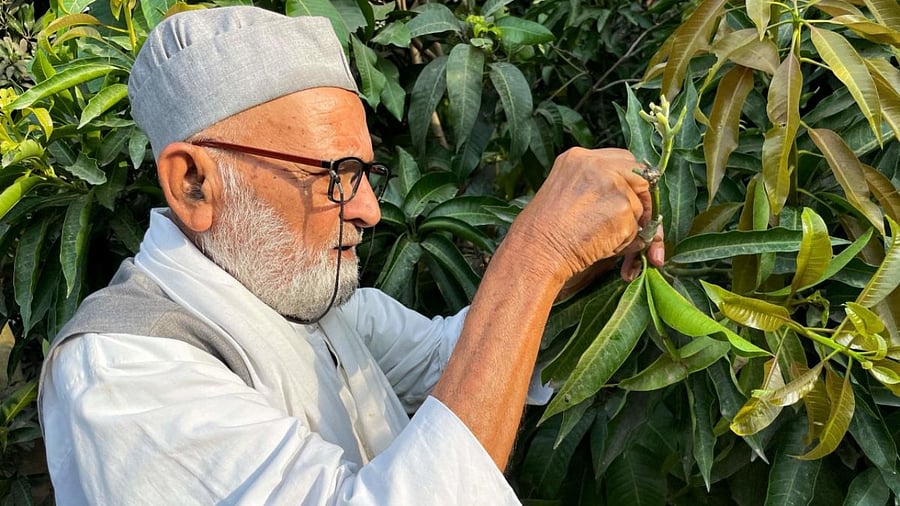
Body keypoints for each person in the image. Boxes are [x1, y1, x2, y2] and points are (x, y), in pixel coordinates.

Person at [38, 6, 664, 505]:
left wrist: (586, 270)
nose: (368, 208)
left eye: (367, 173)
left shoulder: (318, 305)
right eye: (335, 174)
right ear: (194, 184)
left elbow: (461, 358)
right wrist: (536, 252)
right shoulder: (119, 373)